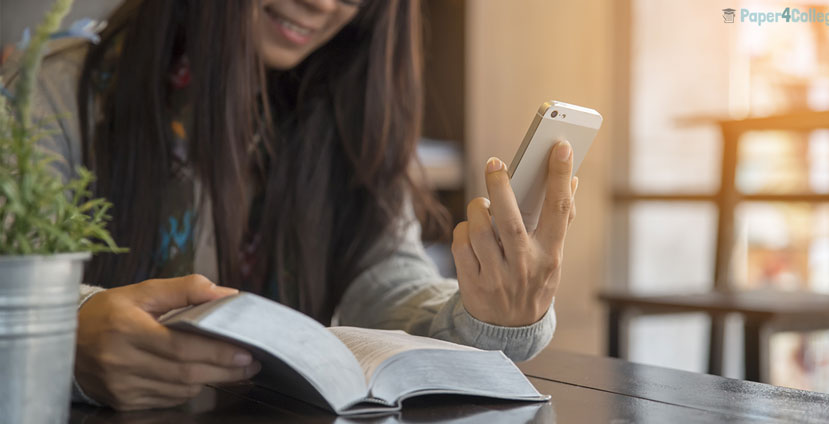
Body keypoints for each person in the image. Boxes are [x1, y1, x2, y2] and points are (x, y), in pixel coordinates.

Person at [9, 0, 578, 411]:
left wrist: (485, 312)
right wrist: (67, 335)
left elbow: (385, 276)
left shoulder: (346, 106)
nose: (323, 4)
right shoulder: (54, 94)